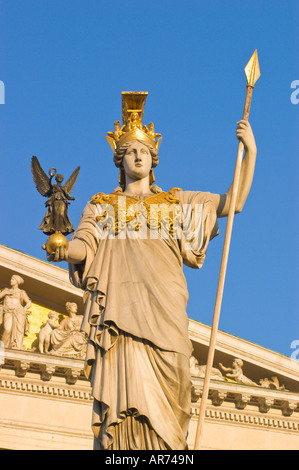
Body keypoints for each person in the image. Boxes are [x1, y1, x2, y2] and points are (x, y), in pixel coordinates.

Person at [47, 92, 257, 450]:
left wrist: (250, 151)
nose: (138, 155)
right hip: (120, 318)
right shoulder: (101, 207)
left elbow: (233, 202)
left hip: (166, 315)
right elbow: (85, 245)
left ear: (153, 159)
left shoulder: (177, 204)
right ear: (120, 161)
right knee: (125, 415)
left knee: (175, 403)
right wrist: (64, 248)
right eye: (130, 151)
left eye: (143, 151)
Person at [0, 275, 31, 349]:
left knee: (19, 331)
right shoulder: (6, 290)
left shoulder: (21, 292)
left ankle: (17, 346)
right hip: (8, 312)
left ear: (17, 282)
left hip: (18, 312)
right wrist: (4, 294)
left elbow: (28, 303)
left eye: (13, 279)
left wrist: (25, 309)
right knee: (7, 329)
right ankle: (3, 347)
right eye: (11, 279)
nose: (11, 280)